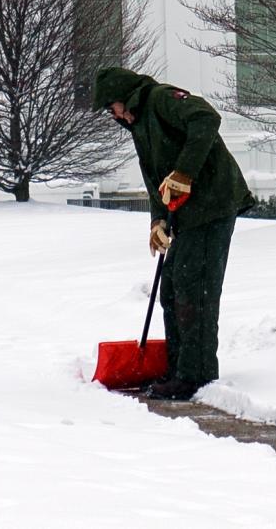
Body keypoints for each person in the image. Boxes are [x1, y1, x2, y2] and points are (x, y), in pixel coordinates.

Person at [92, 67, 255, 401]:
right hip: (187, 212)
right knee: (172, 289)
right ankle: (178, 368)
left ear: (123, 96)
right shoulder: (139, 124)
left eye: (111, 107)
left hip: (213, 203)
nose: (113, 115)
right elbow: (157, 177)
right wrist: (157, 221)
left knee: (195, 288)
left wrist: (185, 173)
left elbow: (207, 118)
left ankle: (196, 374)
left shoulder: (161, 99)